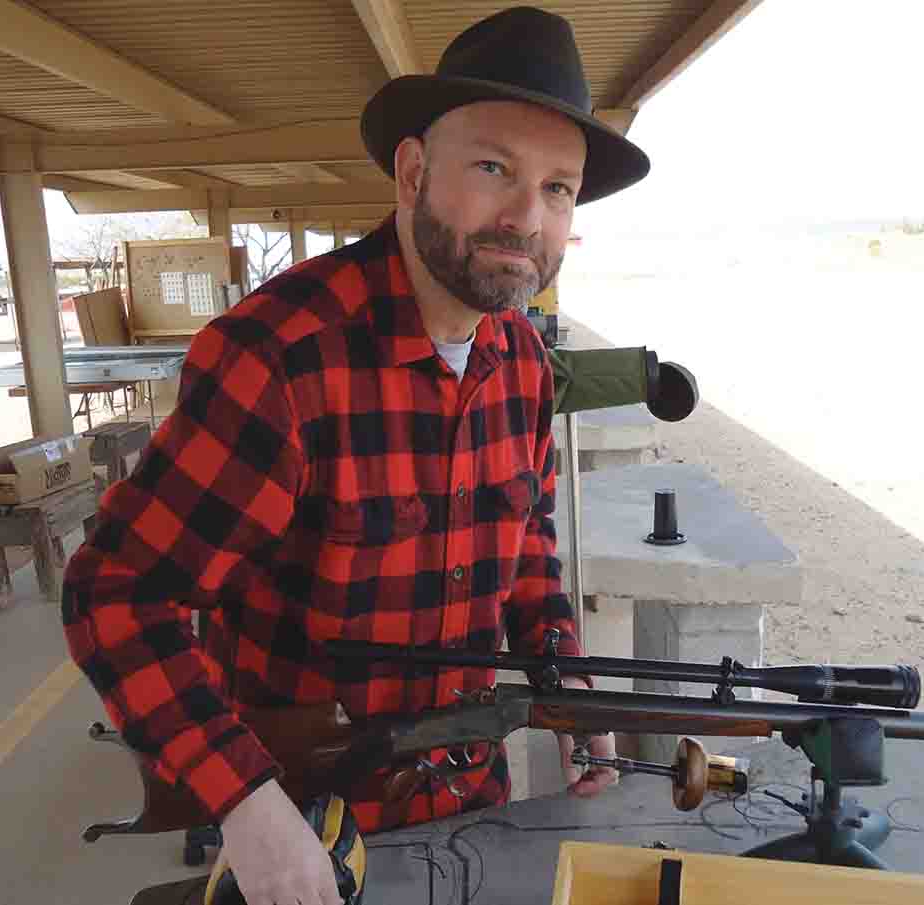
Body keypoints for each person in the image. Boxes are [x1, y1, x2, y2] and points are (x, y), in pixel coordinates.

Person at [61, 8, 651, 904]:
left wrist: (565, 679)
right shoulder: (279, 359)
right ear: (413, 171)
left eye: (559, 188)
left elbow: (526, 539)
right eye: (494, 168)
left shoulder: (524, 362)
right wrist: (248, 805)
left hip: (473, 814)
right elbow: (115, 592)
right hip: (306, 840)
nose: (527, 217)